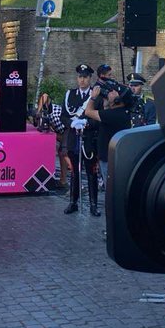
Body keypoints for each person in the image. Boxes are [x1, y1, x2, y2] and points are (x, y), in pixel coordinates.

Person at [62, 64, 100, 216]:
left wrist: (86, 123)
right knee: (74, 173)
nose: (82, 80)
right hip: (74, 138)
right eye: (80, 77)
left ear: (90, 78)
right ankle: (73, 202)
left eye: (85, 77)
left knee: (91, 172)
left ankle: (93, 204)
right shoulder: (70, 94)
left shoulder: (95, 95)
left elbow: (99, 117)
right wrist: (72, 123)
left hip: (89, 138)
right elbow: (63, 115)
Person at [84, 84, 134, 184]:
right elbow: (106, 113)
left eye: (112, 92)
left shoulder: (113, 114)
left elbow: (88, 112)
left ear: (118, 99)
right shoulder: (121, 112)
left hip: (109, 159)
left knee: (110, 189)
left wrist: (93, 97)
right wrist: (107, 103)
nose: (109, 93)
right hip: (113, 157)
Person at [33, 90, 68, 189]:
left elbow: (45, 95)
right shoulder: (46, 114)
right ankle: (63, 180)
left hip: (68, 130)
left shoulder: (53, 109)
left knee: (63, 152)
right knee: (61, 152)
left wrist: (38, 112)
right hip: (61, 132)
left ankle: (64, 180)